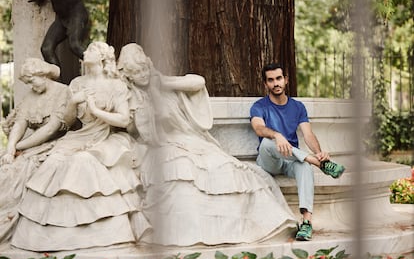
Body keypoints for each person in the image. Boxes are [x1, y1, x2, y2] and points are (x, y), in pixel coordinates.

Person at [117, 43, 298, 246]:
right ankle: (189, 235)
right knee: (181, 173)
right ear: (128, 76)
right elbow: (141, 131)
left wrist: (163, 84)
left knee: (227, 168)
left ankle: (250, 227)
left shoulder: (169, 87)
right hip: (162, 147)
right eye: (136, 72)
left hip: (192, 142)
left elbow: (197, 82)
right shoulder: (131, 99)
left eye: (144, 69)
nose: (142, 75)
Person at [11, 42, 150, 251]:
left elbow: (123, 120)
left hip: (104, 138)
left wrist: (95, 109)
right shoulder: (76, 83)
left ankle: (96, 233)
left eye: (92, 49)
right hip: (79, 136)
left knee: (82, 161)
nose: (86, 51)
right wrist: (72, 102)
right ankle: (47, 234)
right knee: (54, 162)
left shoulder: (116, 85)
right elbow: (67, 121)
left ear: (102, 58)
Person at [250, 63, 345, 241]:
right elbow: (259, 128)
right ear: (265, 84)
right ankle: (318, 164)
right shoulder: (259, 106)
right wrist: (277, 135)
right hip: (269, 161)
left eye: (278, 78)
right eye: (270, 80)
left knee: (305, 168)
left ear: (285, 80)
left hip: (290, 160)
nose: (275, 83)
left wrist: (319, 153)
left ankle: (306, 223)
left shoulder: (298, 107)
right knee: (267, 143)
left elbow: (308, 134)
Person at [0, 58, 70, 243]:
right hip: (31, 144)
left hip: (55, 143)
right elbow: (20, 123)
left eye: (32, 80)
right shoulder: (31, 96)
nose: (30, 85)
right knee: (4, 162)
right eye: (27, 82)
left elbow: (50, 130)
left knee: (18, 171)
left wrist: (19, 147)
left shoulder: (63, 92)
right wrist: (10, 148)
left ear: (43, 75)